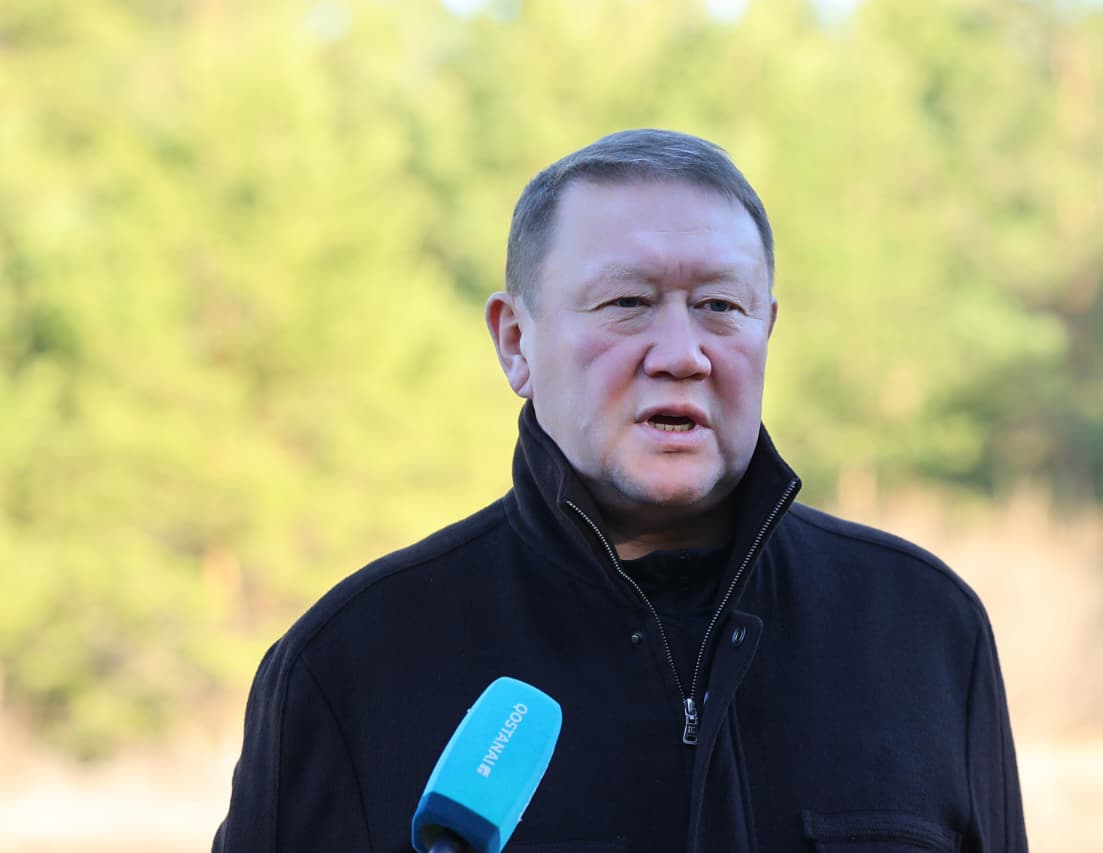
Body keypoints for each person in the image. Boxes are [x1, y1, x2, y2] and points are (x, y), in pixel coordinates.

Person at [214, 129, 1027, 852]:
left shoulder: (923, 629)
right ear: (515, 341)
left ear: (766, 330)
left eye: (720, 306)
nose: (681, 353)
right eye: (628, 303)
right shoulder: (356, 661)